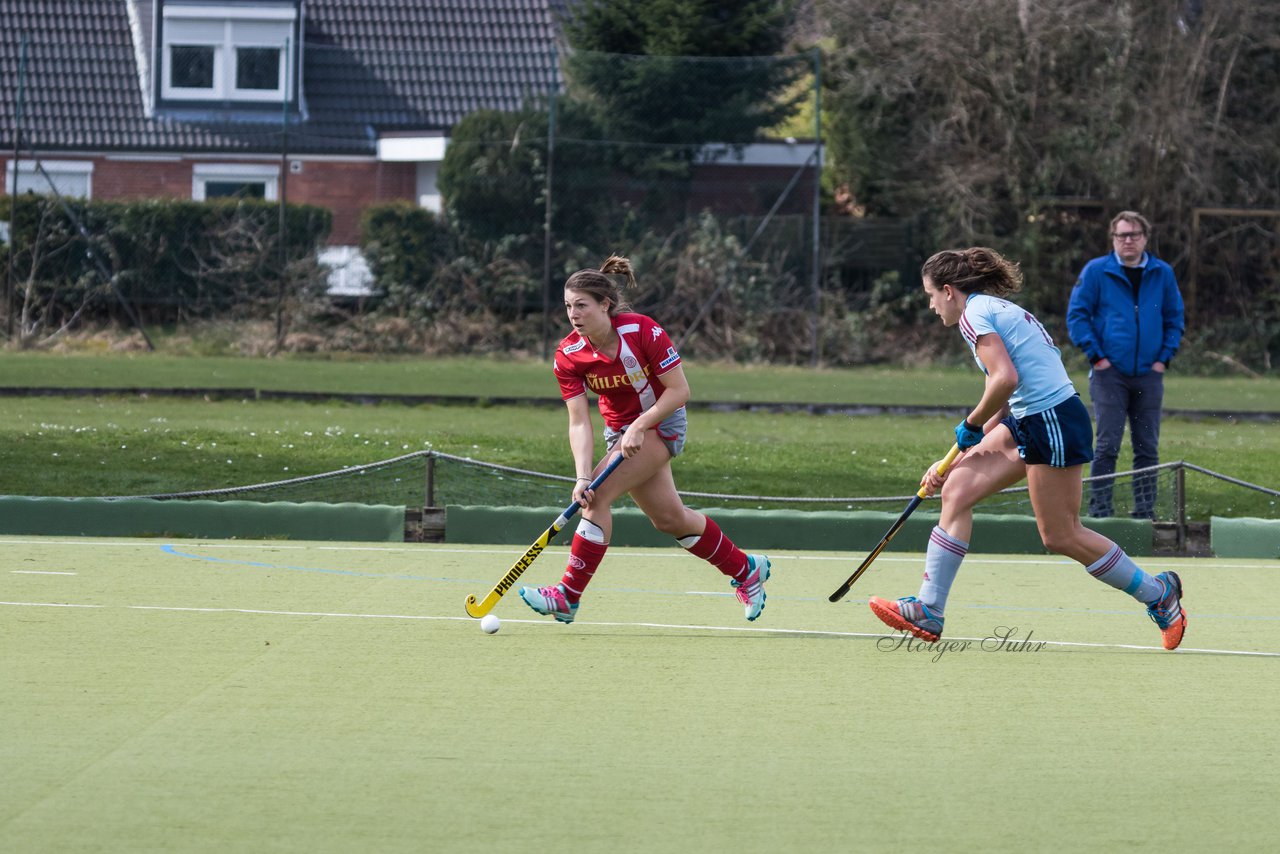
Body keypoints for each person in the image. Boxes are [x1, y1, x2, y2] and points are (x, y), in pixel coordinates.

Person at [867, 247, 1187, 650]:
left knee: (1061, 535)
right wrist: (959, 452)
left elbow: (1005, 378)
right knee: (957, 489)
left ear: (949, 291)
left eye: (931, 295)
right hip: (1028, 419)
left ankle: (1159, 594)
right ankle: (930, 609)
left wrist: (969, 426)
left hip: (1052, 420)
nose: (931, 306)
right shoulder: (991, 308)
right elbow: (1004, 394)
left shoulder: (973, 316)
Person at [518, 255, 771, 624]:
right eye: (568, 306)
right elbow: (578, 422)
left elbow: (680, 390)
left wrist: (640, 426)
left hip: (662, 422)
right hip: (619, 433)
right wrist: (581, 475)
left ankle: (567, 595)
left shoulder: (642, 331)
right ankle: (746, 568)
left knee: (598, 498)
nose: (574, 314)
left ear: (605, 304)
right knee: (669, 519)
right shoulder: (568, 355)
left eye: (582, 305)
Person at [1067, 211, 1185, 519]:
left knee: (1147, 447)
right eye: (1121, 235)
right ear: (1113, 239)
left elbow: (1175, 319)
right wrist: (1097, 357)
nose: (1128, 241)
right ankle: (1100, 511)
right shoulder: (1096, 271)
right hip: (1109, 375)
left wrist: (1163, 359)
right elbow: (1077, 317)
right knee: (1107, 445)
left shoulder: (1162, 273)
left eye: (1134, 235)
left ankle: (1144, 513)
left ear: (1145, 238)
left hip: (1149, 375)